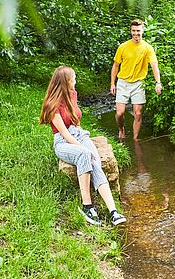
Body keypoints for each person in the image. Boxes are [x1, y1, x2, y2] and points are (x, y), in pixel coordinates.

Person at [40, 66, 127, 226]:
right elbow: (65, 134)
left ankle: (113, 211)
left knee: (95, 163)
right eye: (73, 78)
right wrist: (84, 148)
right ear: (65, 82)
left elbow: (75, 119)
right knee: (85, 154)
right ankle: (87, 207)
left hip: (78, 133)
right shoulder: (52, 104)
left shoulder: (73, 94)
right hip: (63, 142)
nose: (75, 81)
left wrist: (82, 137)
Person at [110, 19, 162, 139]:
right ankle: (121, 129)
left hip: (138, 83)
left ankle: (135, 139)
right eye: (133, 31)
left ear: (142, 30)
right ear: (130, 31)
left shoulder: (147, 48)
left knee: (138, 113)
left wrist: (158, 82)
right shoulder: (123, 47)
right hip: (123, 82)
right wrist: (112, 83)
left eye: (138, 31)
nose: (136, 33)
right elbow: (115, 65)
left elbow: (154, 65)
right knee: (119, 113)